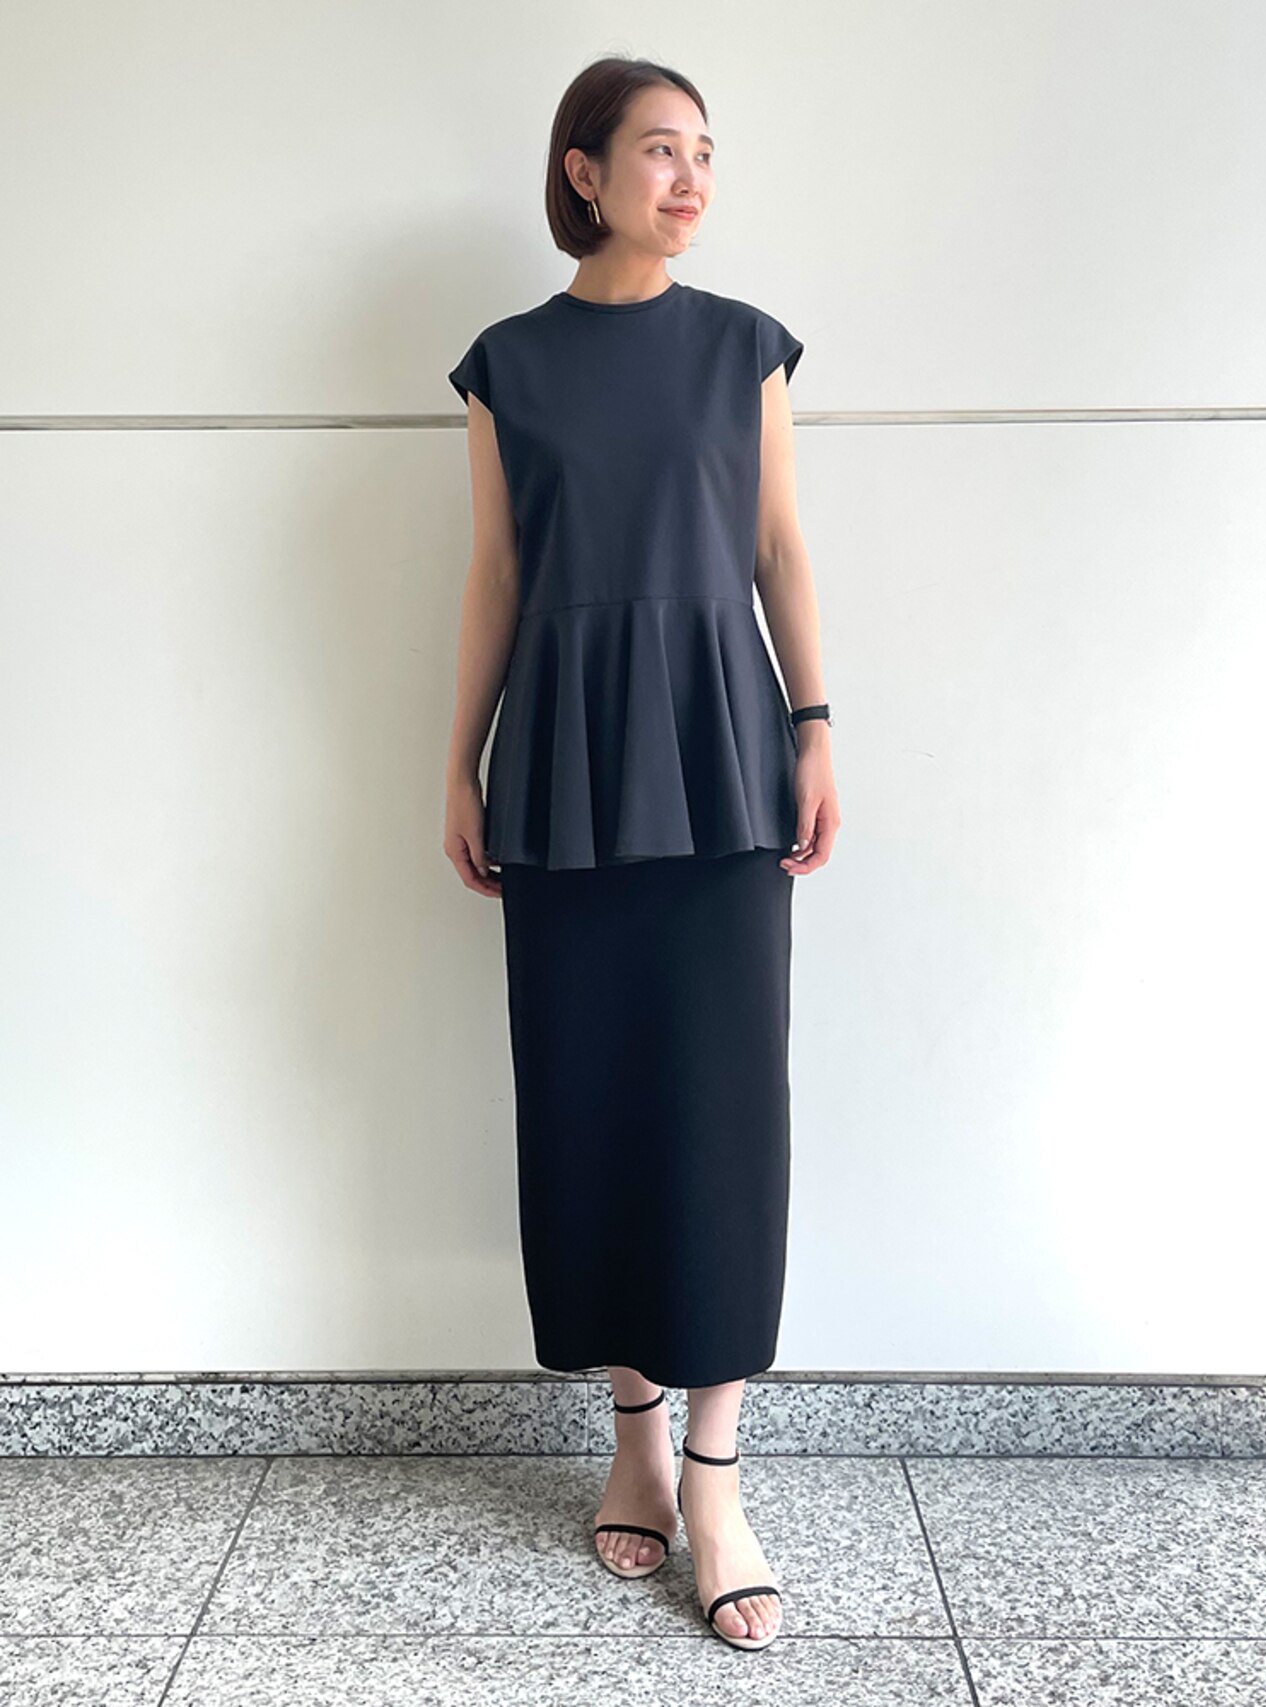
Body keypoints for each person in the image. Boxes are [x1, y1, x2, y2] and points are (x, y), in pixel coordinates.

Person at [443, 55, 838, 1653]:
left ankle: (719, 1474)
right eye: (660, 151)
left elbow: (778, 546)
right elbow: (495, 572)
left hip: (721, 744)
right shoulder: (509, 366)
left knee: (725, 1106)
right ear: (583, 171)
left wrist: (816, 724)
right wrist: (458, 761)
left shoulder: (744, 348)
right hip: (560, 755)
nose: (690, 180)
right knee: (589, 1090)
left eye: (705, 155)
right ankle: (633, 1440)